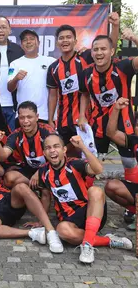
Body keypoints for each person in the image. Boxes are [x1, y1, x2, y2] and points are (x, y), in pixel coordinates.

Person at [37, 134, 132, 264]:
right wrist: (41, 221)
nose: (52, 150)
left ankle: (87, 245)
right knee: (62, 230)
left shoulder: (75, 164)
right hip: (69, 219)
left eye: (56, 146)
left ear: (64, 149)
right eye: (48, 148)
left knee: (96, 190)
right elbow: (46, 196)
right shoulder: (43, 172)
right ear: (44, 152)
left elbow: (98, 169)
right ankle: (107, 240)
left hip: (90, 211)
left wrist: (83, 147)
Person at [47, 13, 120, 156]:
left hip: (85, 120)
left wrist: (115, 26)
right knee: (66, 156)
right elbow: (53, 95)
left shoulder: (86, 57)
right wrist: (50, 119)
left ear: (75, 40)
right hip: (63, 121)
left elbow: (109, 45)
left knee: (86, 156)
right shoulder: (53, 67)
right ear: (57, 43)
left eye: (68, 37)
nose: (65, 40)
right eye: (61, 38)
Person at [79, 31, 138, 185]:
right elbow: (84, 94)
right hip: (98, 123)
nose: (99, 53)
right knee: (91, 162)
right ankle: (86, 199)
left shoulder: (123, 66)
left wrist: (134, 38)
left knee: (129, 162)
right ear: (91, 52)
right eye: (96, 49)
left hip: (123, 123)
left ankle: (132, 206)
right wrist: (82, 115)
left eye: (103, 49)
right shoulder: (86, 74)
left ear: (111, 51)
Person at [0, 101, 55, 188]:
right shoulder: (16, 135)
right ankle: (37, 188)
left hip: (50, 169)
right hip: (29, 171)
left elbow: (58, 156)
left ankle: (42, 187)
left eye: (29, 117)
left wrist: (40, 172)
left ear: (37, 117)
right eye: (22, 118)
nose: (25, 121)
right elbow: (2, 157)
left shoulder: (47, 132)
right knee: (9, 178)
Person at [7, 29, 55, 126]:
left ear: (38, 42)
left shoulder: (51, 62)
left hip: (44, 116)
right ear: (21, 44)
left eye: (32, 39)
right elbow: (9, 88)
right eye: (25, 40)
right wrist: (16, 78)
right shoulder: (14, 64)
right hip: (23, 116)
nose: (28, 42)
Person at [105, 97, 138, 230]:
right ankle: (133, 210)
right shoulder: (134, 140)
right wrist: (116, 109)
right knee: (111, 186)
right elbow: (111, 133)